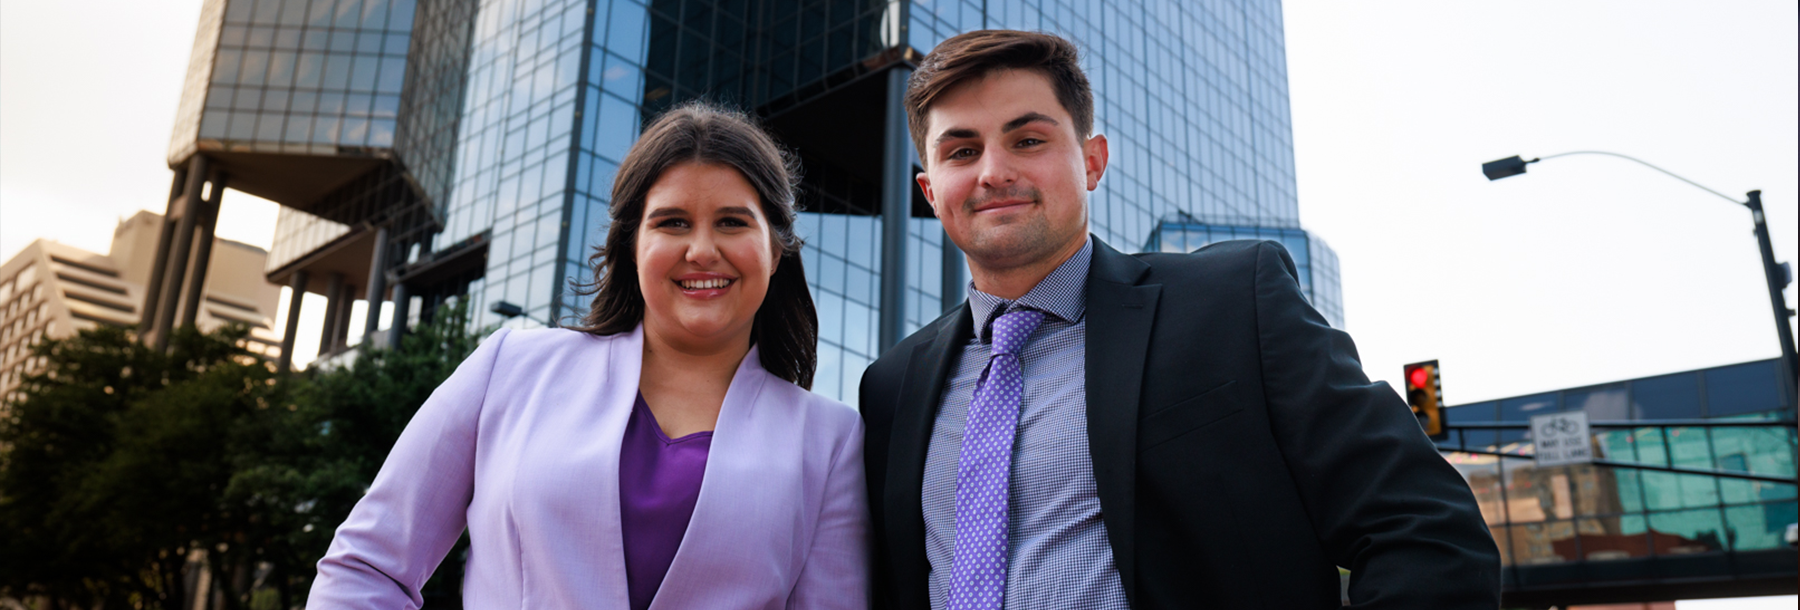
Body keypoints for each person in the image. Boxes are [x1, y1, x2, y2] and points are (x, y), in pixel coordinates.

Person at [859, 30, 1501, 609]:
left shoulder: (1234, 303)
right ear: (930, 190)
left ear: (1091, 161)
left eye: (1028, 140)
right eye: (962, 151)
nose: (994, 172)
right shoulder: (891, 387)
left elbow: (1424, 527)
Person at [309, 101, 869, 609]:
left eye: (732, 222)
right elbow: (367, 568)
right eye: (672, 222)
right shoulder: (509, 366)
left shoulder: (831, 443)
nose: (702, 250)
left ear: (775, 249)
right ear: (632, 245)